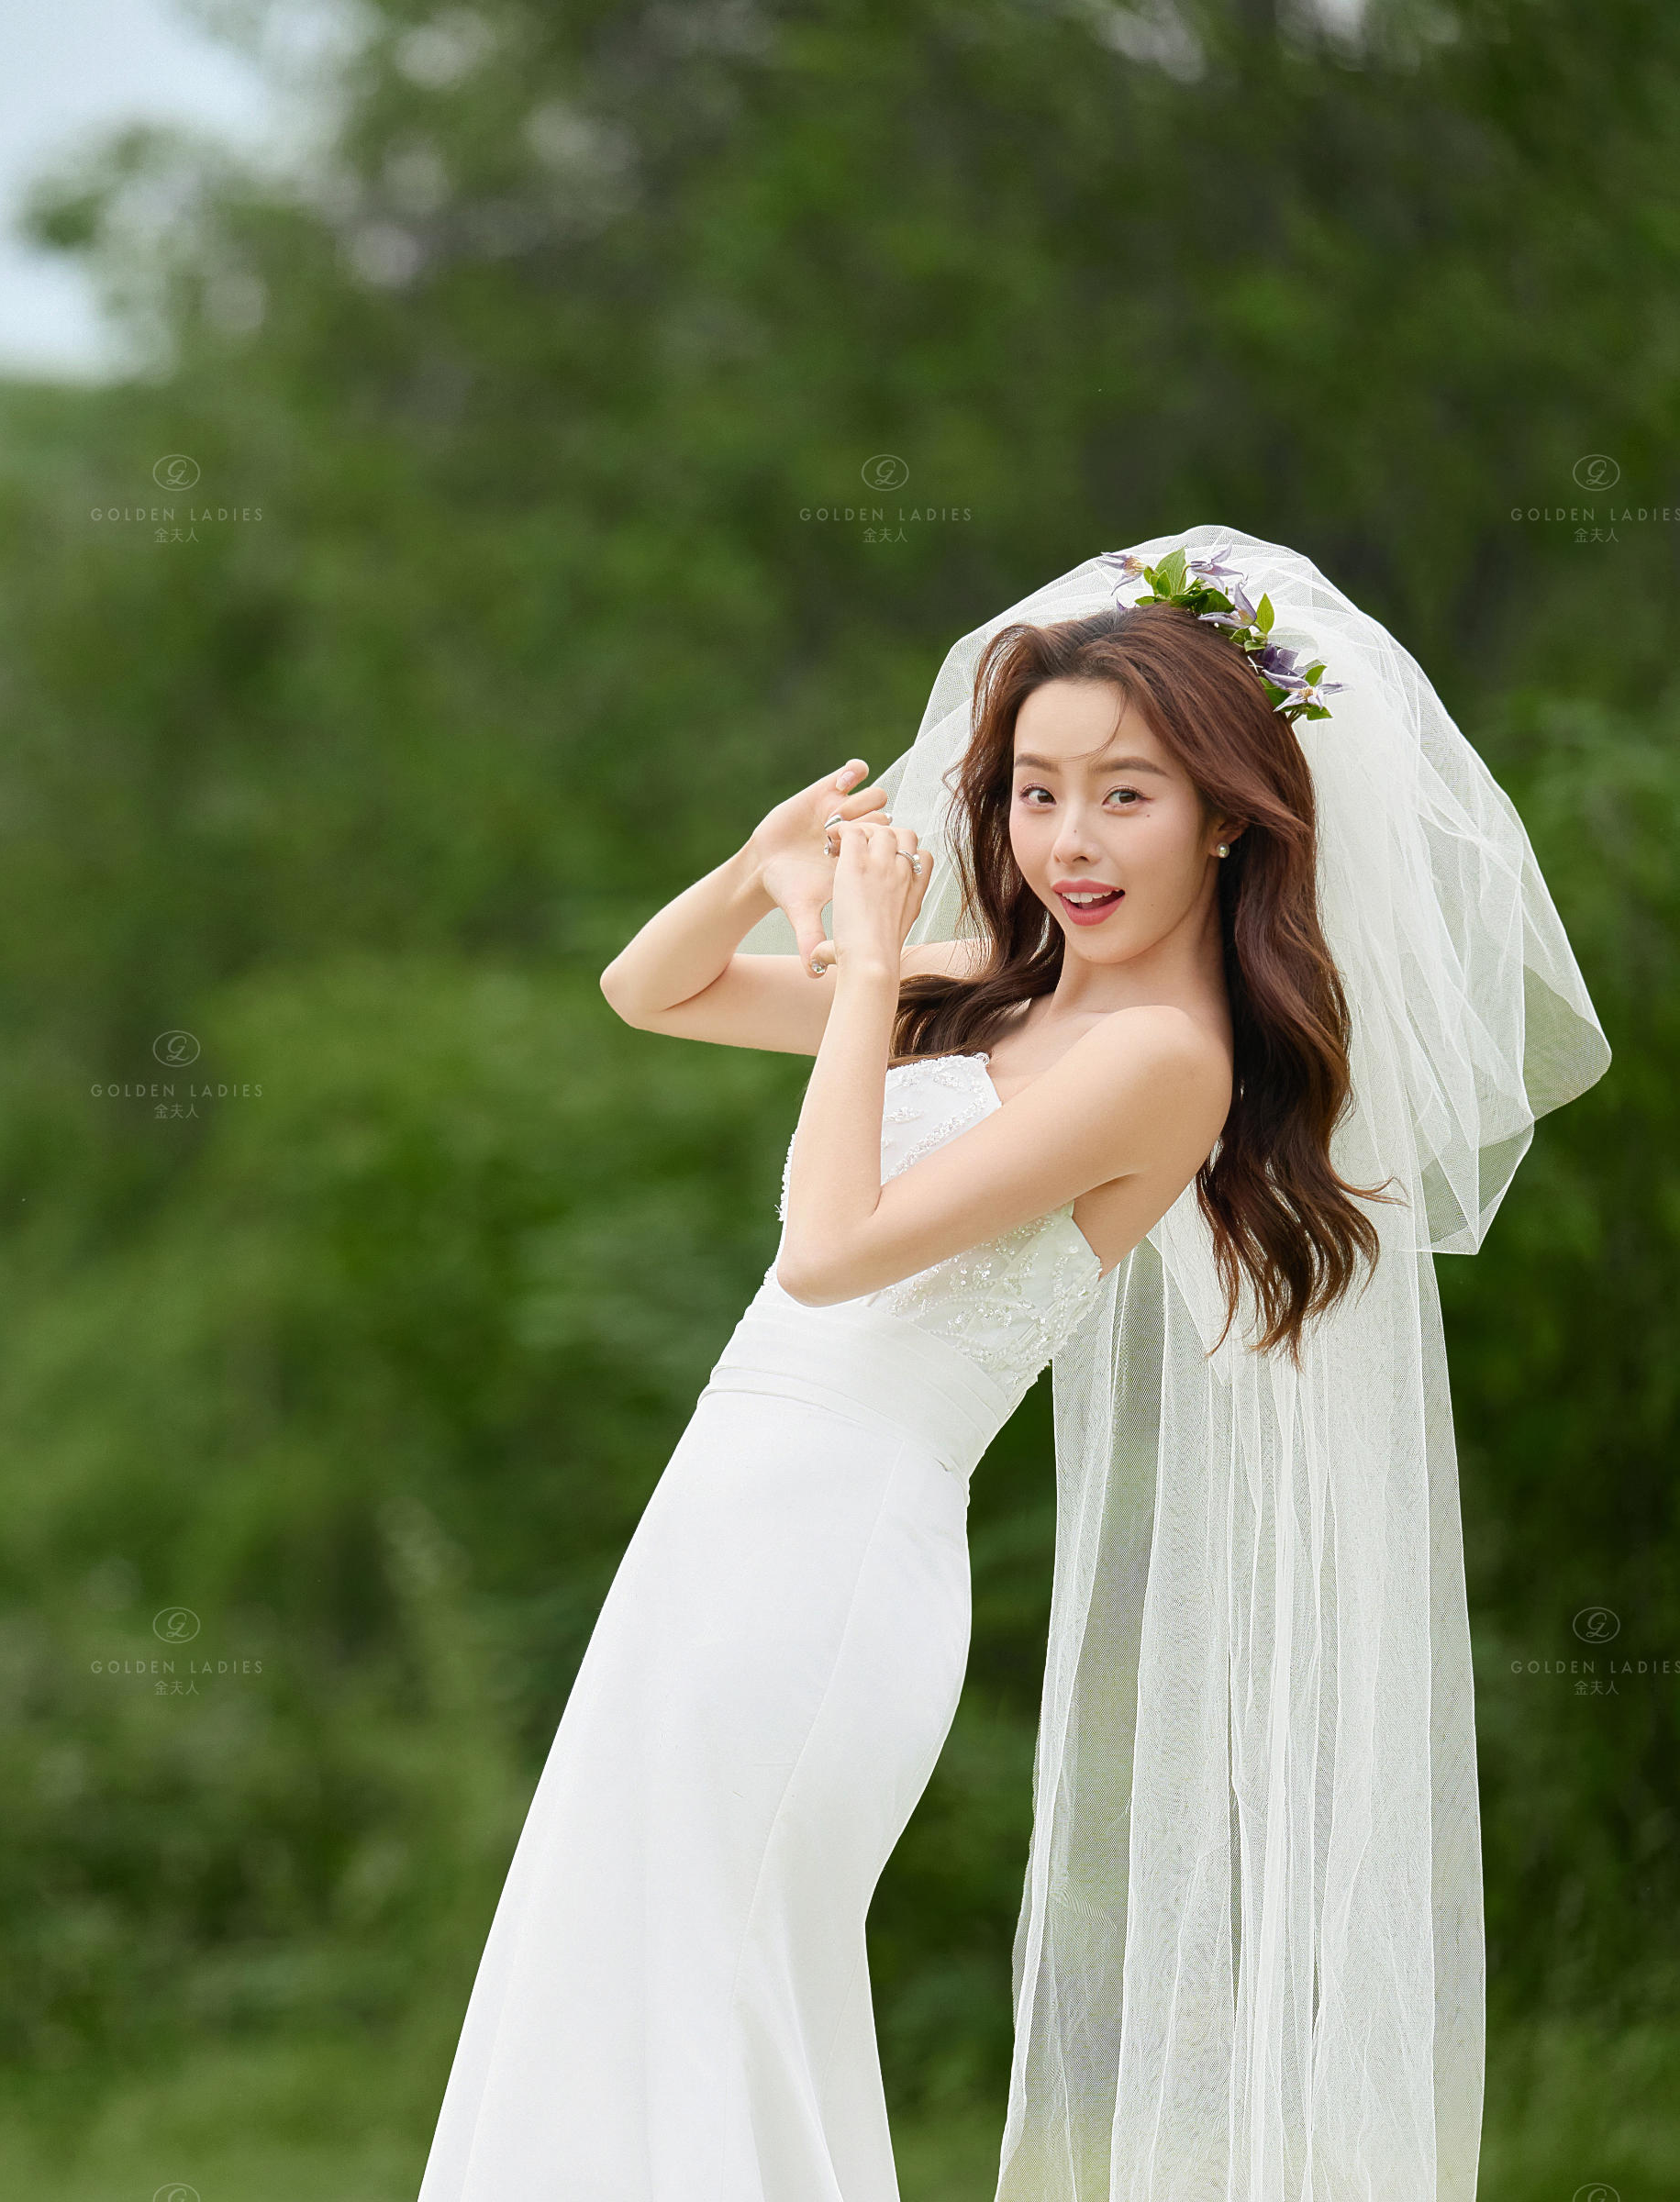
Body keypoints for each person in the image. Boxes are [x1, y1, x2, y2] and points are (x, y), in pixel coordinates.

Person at [415, 528, 1607, 2200]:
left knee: (716, 1957)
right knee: (622, 1940)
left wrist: (860, 977)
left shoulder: (1162, 1063)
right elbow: (651, 992)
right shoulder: (993, 993)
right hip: (721, 1516)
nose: (1066, 840)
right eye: (1036, 791)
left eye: (1126, 793)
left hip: (830, 1559)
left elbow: (832, 1253)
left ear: (1228, 812)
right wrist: (769, 866)